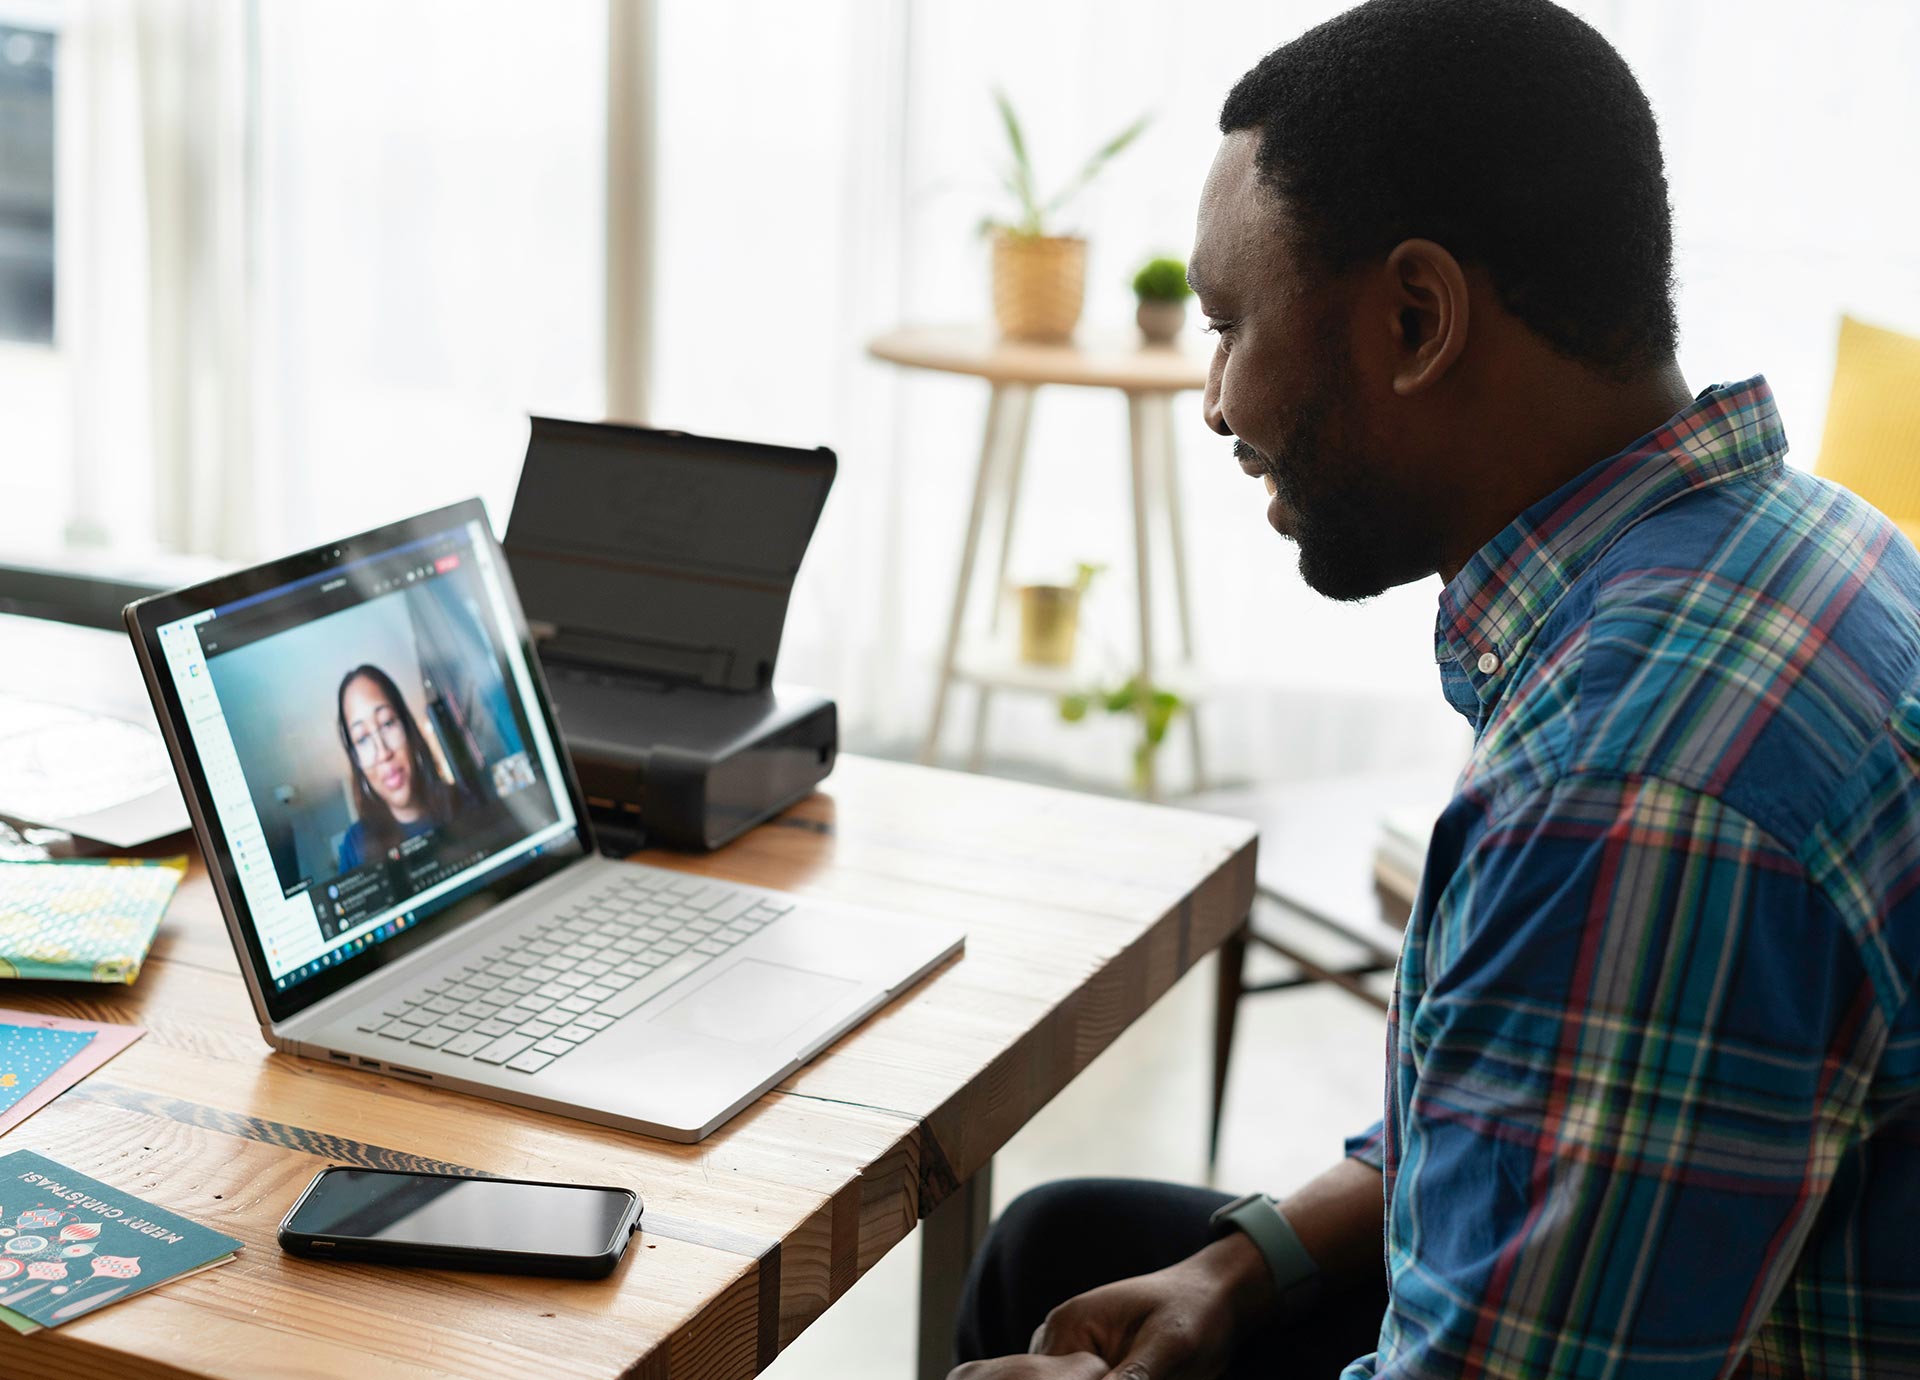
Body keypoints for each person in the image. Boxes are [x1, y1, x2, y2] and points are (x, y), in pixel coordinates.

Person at [950, 1, 1920, 1377]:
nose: (1217, 399)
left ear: (1416, 318)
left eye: (1233, 324)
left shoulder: (1629, 785)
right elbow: (1532, 1111)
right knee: (1065, 1249)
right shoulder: (1802, 546)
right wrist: (1243, 1264)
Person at [334, 663, 461, 871]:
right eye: (363, 738)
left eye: (387, 723)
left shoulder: (464, 799)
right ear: (356, 760)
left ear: (408, 728)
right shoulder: (355, 847)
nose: (383, 753)